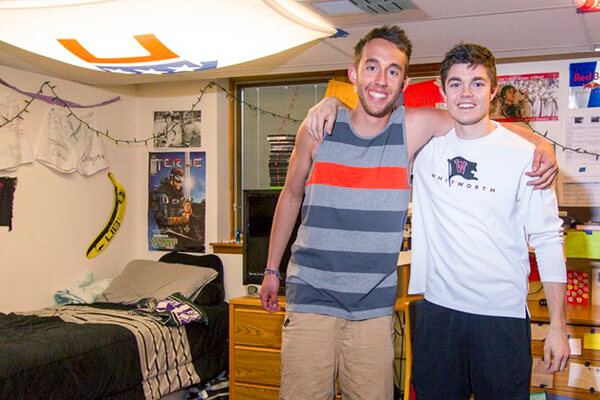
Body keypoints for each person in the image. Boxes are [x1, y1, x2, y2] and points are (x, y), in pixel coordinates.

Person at [259, 25, 557, 400]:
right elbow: (289, 197)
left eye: (393, 71)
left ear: (402, 84)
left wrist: (541, 143)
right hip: (311, 299)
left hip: (373, 307)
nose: (380, 80)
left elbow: (478, 123)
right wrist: (271, 269)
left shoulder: (412, 129)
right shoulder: (318, 129)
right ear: (353, 74)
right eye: (371, 67)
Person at [408, 43, 569, 400]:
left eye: (477, 84)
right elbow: (367, 120)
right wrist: (330, 104)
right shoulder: (423, 149)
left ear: (494, 90)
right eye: (456, 84)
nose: (466, 94)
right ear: (441, 89)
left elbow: (547, 238)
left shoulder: (526, 155)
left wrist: (558, 326)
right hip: (438, 315)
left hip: (502, 319)